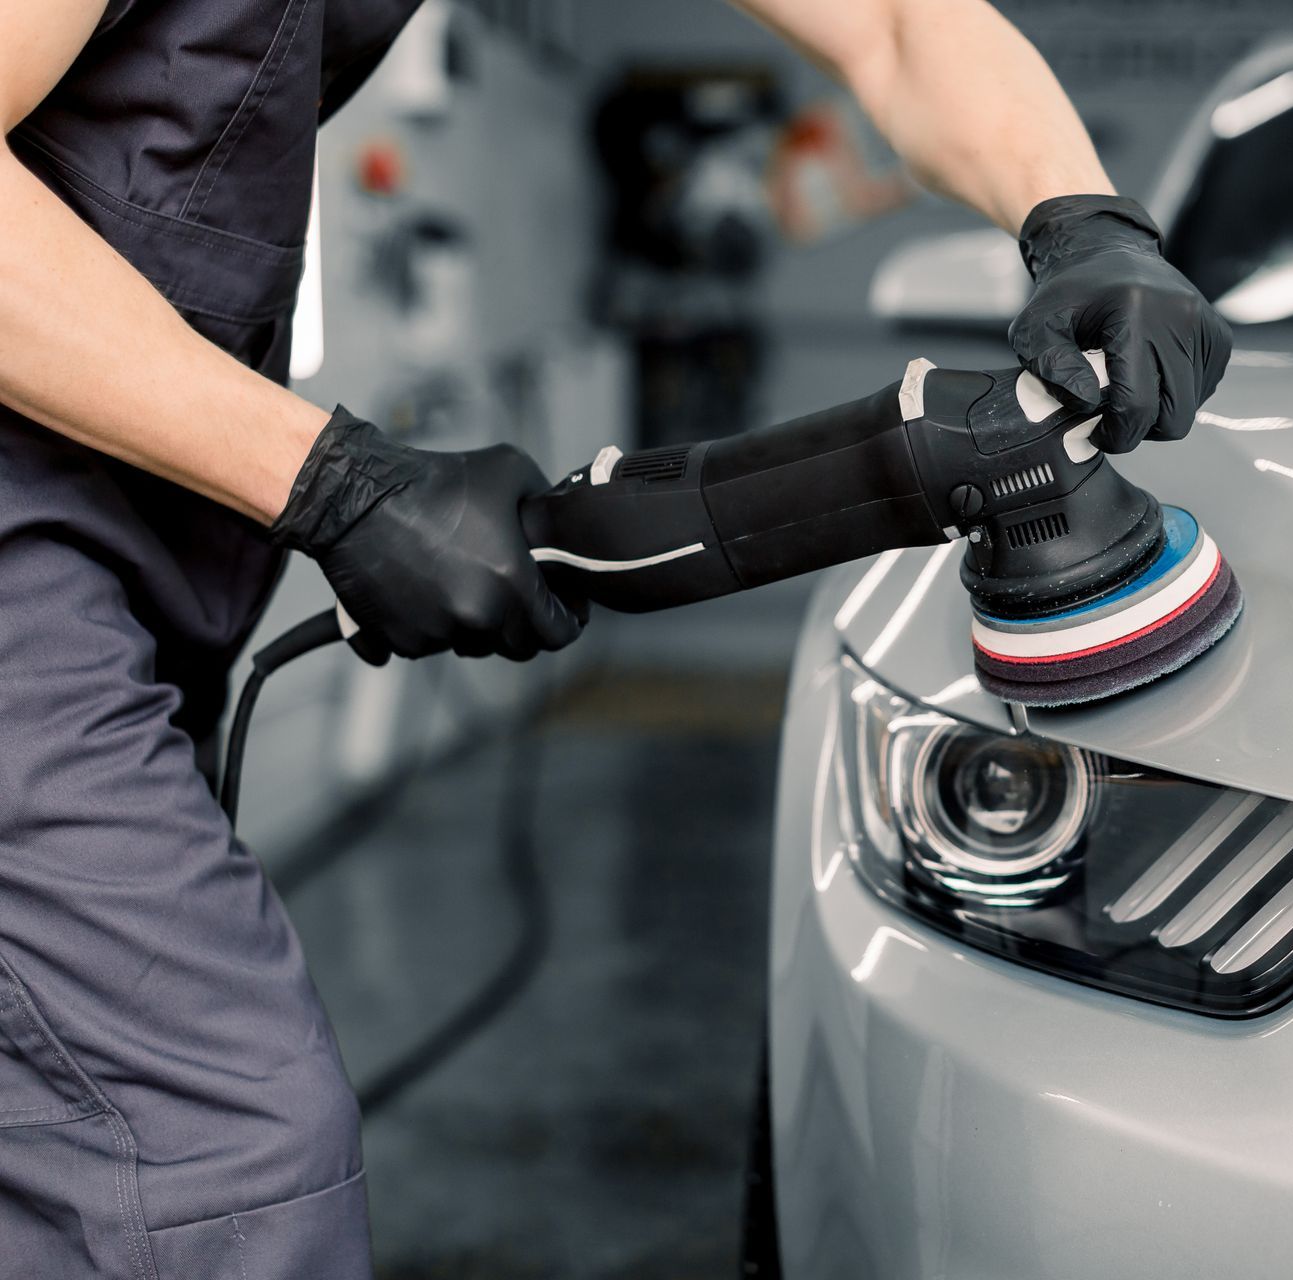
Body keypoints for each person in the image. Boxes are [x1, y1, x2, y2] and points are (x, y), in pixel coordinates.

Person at [0, 0, 1231, 1275]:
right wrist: (330, 482)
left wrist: (1085, 217)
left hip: (143, 521)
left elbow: (896, 21)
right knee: (215, 1155)